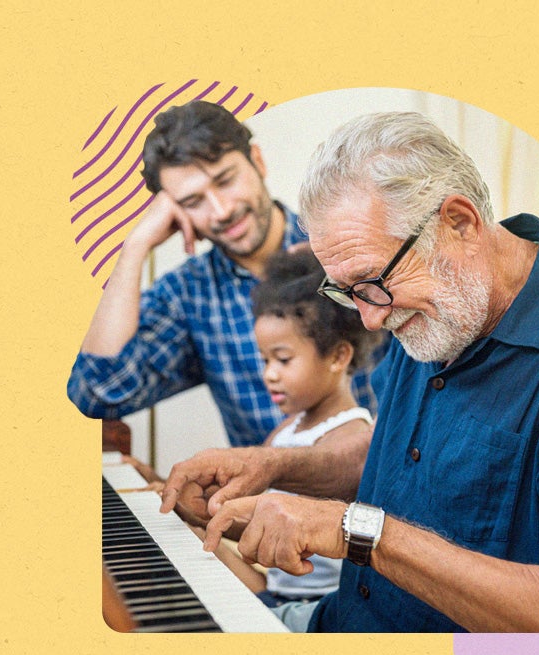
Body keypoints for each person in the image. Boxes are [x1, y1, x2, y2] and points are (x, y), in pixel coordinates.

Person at [163, 111, 539, 633]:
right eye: (346, 291)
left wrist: (355, 531)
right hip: (344, 620)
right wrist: (276, 467)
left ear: (459, 221)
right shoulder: (439, 311)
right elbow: (400, 457)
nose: (369, 317)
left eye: (372, 283)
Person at [67, 100, 378, 449]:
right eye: (192, 201)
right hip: (261, 499)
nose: (221, 211)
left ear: (257, 161)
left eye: (225, 180)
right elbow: (97, 394)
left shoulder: (340, 247)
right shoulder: (189, 294)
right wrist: (134, 248)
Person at [246, 249, 382, 607]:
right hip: (278, 589)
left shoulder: (351, 436)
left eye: (283, 359)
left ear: (338, 356)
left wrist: (204, 510)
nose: (269, 374)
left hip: (317, 603)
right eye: (265, 360)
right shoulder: (287, 430)